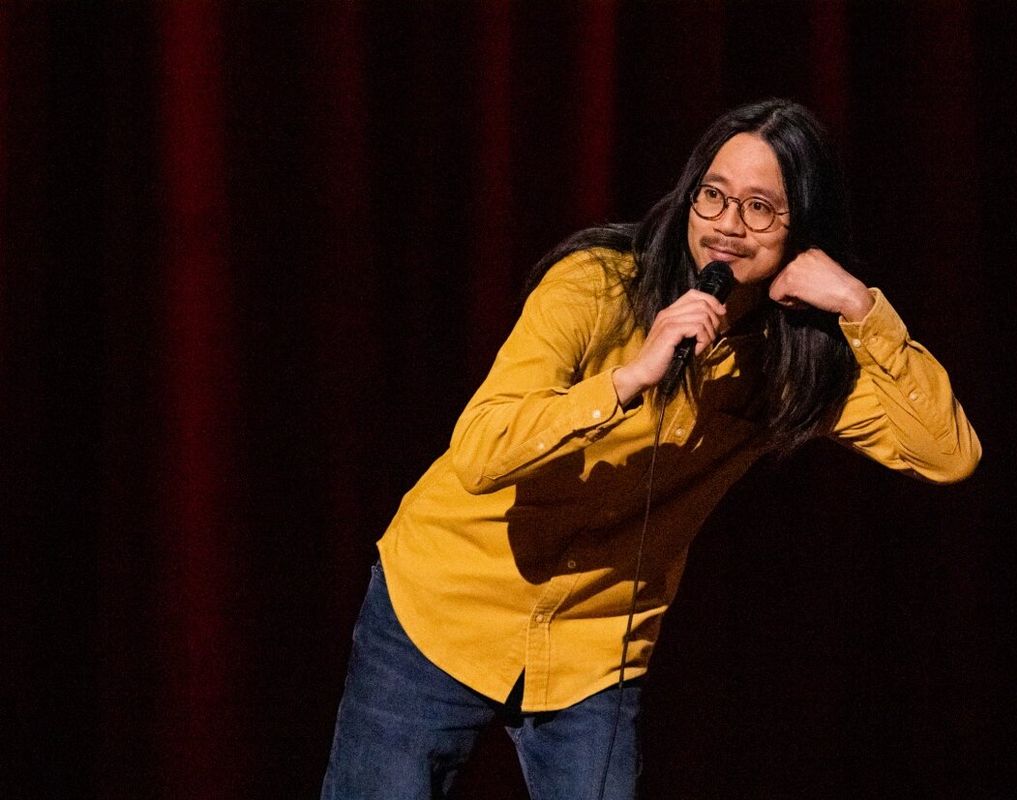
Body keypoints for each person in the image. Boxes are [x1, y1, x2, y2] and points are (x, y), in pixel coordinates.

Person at [320, 98, 981, 800]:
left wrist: (860, 306)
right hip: (443, 611)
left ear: (804, 230)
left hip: (593, 650)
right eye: (714, 196)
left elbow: (947, 452)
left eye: (761, 208)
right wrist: (628, 380)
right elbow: (480, 452)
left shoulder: (788, 361)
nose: (727, 224)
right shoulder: (598, 288)